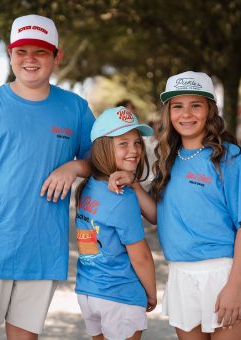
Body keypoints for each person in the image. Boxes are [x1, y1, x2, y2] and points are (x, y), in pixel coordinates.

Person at [0, 14, 95, 340]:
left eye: (40, 52)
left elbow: (98, 161)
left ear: (57, 56)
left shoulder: (75, 108)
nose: (30, 59)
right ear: (10, 54)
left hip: (42, 252)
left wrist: (73, 167)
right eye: (21, 51)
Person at [110, 71, 241, 339]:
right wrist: (135, 186)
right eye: (177, 106)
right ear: (168, 112)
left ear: (210, 110)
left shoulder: (231, 159)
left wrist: (236, 284)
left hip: (224, 273)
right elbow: (160, 217)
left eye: (196, 105)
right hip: (181, 274)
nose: (186, 114)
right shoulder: (168, 158)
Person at [75, 106, 157, 340]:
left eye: (137, 142)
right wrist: (151, 293)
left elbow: (92, 242)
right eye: (123, 143)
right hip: (120, 294)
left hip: (89, 292)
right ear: (102, 148)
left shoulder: (87, 187)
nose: (134, 150)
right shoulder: (122, 199)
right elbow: (140, 256)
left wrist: (134, 183)